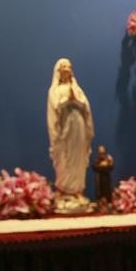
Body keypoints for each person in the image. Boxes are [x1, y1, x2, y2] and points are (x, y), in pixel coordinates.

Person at [46, 57, 94, 201]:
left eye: (69, 67)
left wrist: (76, 101)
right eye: (64, 67)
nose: (67, 69)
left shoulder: (77, 89)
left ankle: (77, 188)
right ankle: (64, 189)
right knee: (65, 157)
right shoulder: (55, 91)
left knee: (78, 157)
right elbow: (54, 109)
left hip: (78, 126)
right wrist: (67, 101)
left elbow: (85, 107)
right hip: (64, 129)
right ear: (59, 72)